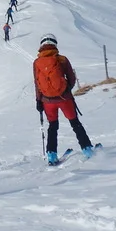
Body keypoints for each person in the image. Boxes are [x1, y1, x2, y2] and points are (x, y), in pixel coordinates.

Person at [33, 33, 94, 164]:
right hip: (64, 99)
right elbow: (71, 78)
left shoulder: (37, 62)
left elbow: (37, 83)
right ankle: (87, 149)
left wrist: (39, 101)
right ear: (55, 43)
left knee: (52, 127)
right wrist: (65, 91)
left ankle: (51, 155)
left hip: (47, 101)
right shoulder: (62, 59)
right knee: (75, 124)